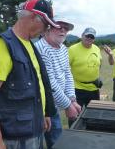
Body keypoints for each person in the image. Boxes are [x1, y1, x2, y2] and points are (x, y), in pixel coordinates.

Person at [0, 0, 59, 149]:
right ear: (32, 17)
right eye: (46, 25)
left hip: (33, 130)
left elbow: (37, 83)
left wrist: (44, 113)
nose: (46, 31)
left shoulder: (29, 44)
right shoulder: (4, 46)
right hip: (15, 138)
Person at [35, 20, 81, 148]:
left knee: (56, 139)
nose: (63, 31)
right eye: (59, 27)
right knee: (47, 141)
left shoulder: (63, 49)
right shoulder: (41, 49)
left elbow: (67, 74)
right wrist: (67, 105)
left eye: (66, 29)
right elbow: (49, 83)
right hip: (42, 105)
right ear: (48, 29)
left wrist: (72, 99)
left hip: (54, 103)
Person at [68, 27, 102, 107]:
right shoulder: (72, 49)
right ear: (82, 35)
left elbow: (99, 63)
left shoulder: (96, 48)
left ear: (94, 39)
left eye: (92, 37)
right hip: (77, 88)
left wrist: (96, 75)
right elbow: (65, 68)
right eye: (87, 36)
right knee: (76, 115)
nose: (89, 38)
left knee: (93, 114)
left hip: (94, 88)